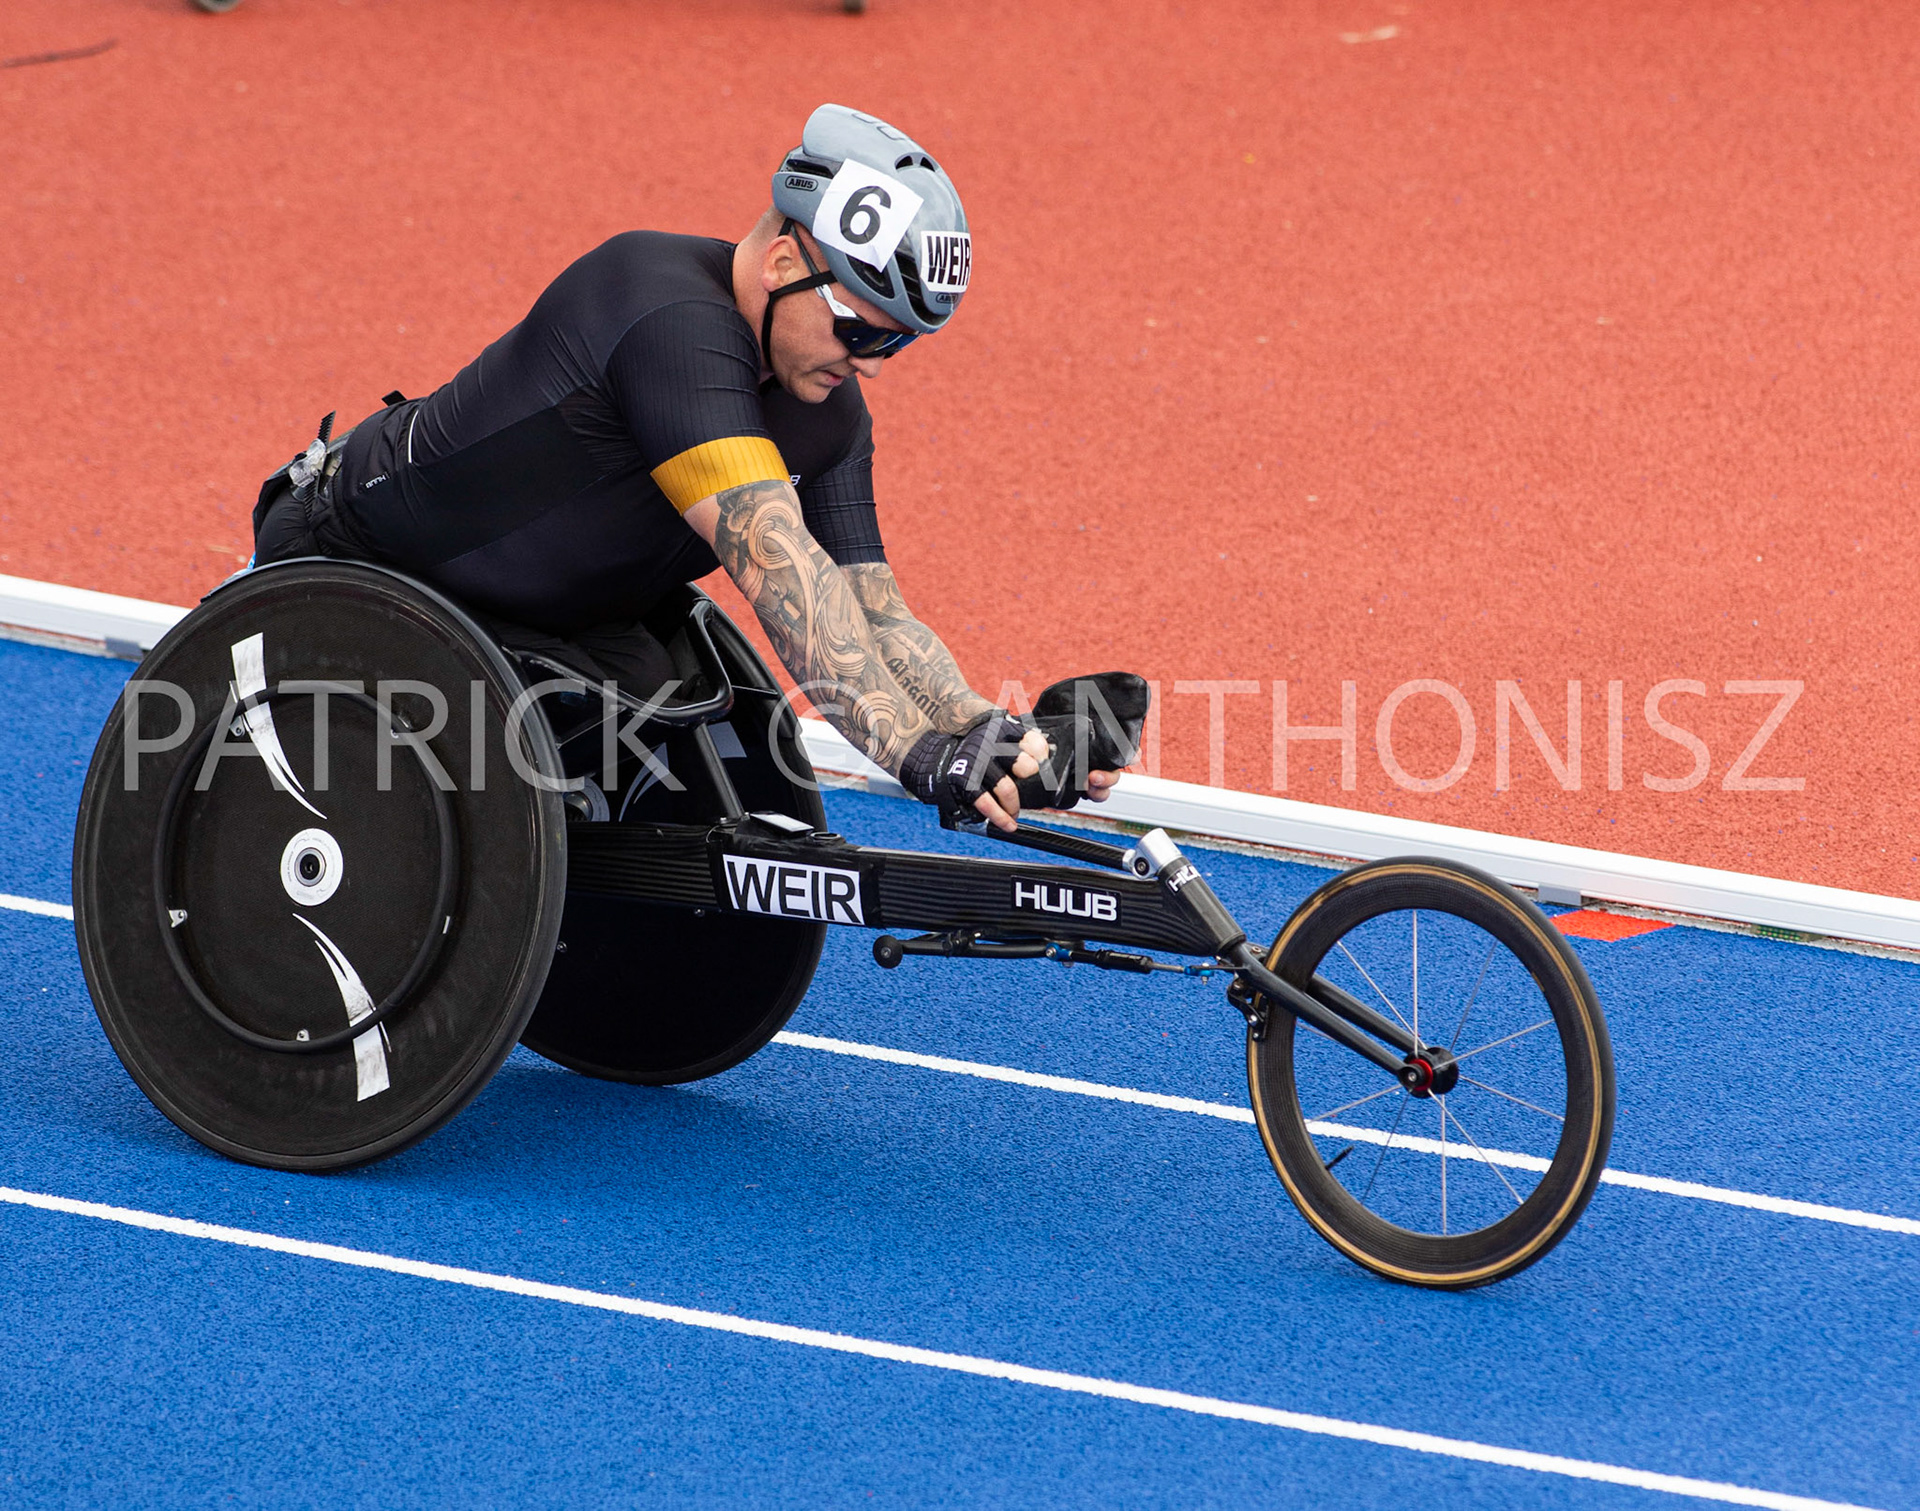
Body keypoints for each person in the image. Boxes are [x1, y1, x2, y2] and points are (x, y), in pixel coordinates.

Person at [253, 104, 1141, 830]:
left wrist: (991, 735)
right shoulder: (664, 313)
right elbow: (778, 565)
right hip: (358, 559)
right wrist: (917, 754)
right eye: (861, 329)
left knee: (669, 706)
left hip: (545, 623)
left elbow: (872, 609)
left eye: (898, 345)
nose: (869, 365)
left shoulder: (826, 407)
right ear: (789, 261)